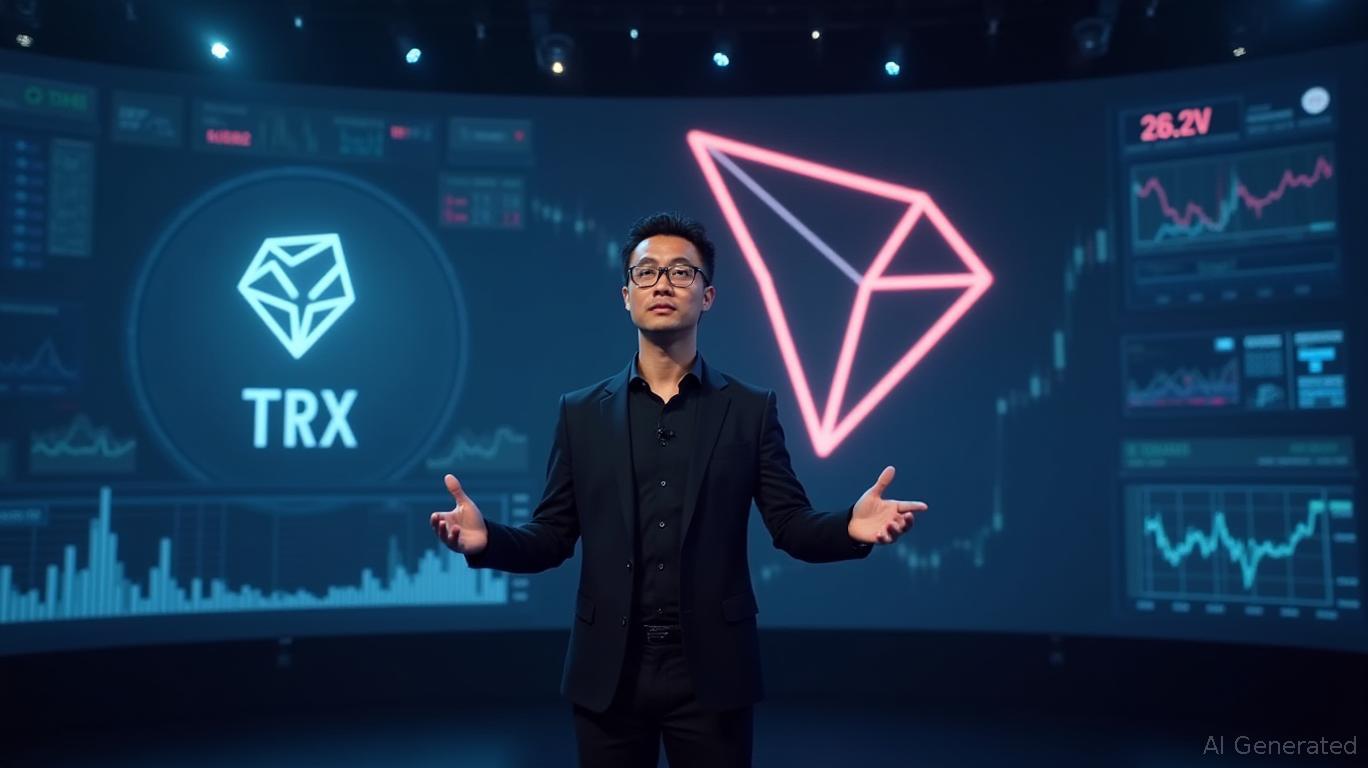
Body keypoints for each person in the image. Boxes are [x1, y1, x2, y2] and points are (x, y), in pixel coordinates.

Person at [430, 212, 926, 767]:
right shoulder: (581, 413)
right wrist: (488, 541)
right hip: (609, 672)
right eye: (646, 273)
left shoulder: (749, 410)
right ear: (626, 295)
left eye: (681, 272)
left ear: (707, 296)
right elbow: (551, 536)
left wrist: (850, 528)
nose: (662, 284)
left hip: (712, 671)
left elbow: (790, 526)